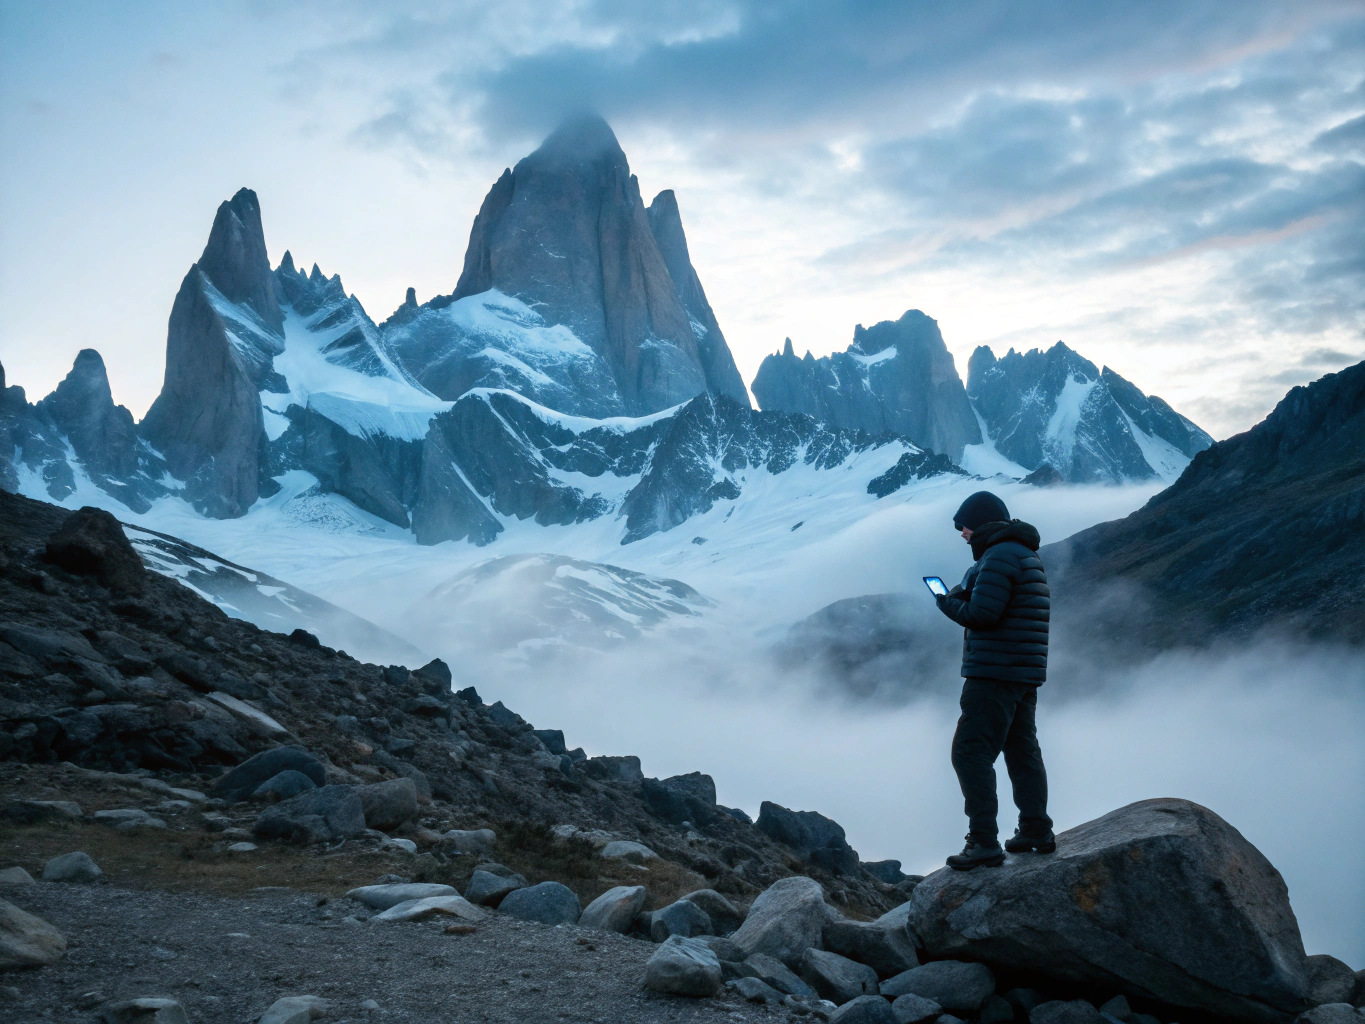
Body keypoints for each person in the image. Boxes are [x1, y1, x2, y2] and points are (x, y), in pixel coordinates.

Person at [933, 490, 1054, 869]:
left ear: (982, 522)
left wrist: (947, 601)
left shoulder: (999, 556)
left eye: (965, 526)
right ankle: (1035, 828)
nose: (963, 534)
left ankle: (983, 841)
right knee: (1021, 751)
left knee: (969, 752)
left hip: (994, 673)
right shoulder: (1024, 554)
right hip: (1022, 671)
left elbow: (983, 614)